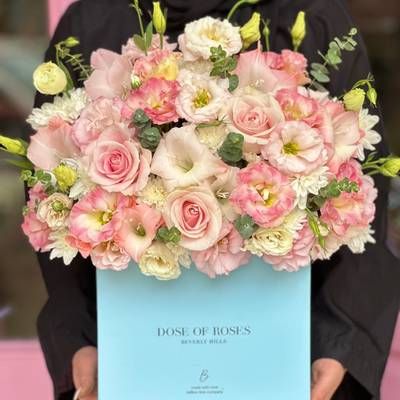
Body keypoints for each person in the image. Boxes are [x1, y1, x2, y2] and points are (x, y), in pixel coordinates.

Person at [32, 0, 400, 399]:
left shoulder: (312, 17)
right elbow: (51, 196)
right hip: (135, 363)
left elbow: (358, 192)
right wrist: (77, 340)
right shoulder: (94, 21)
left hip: (291, 360)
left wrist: (341, 346)